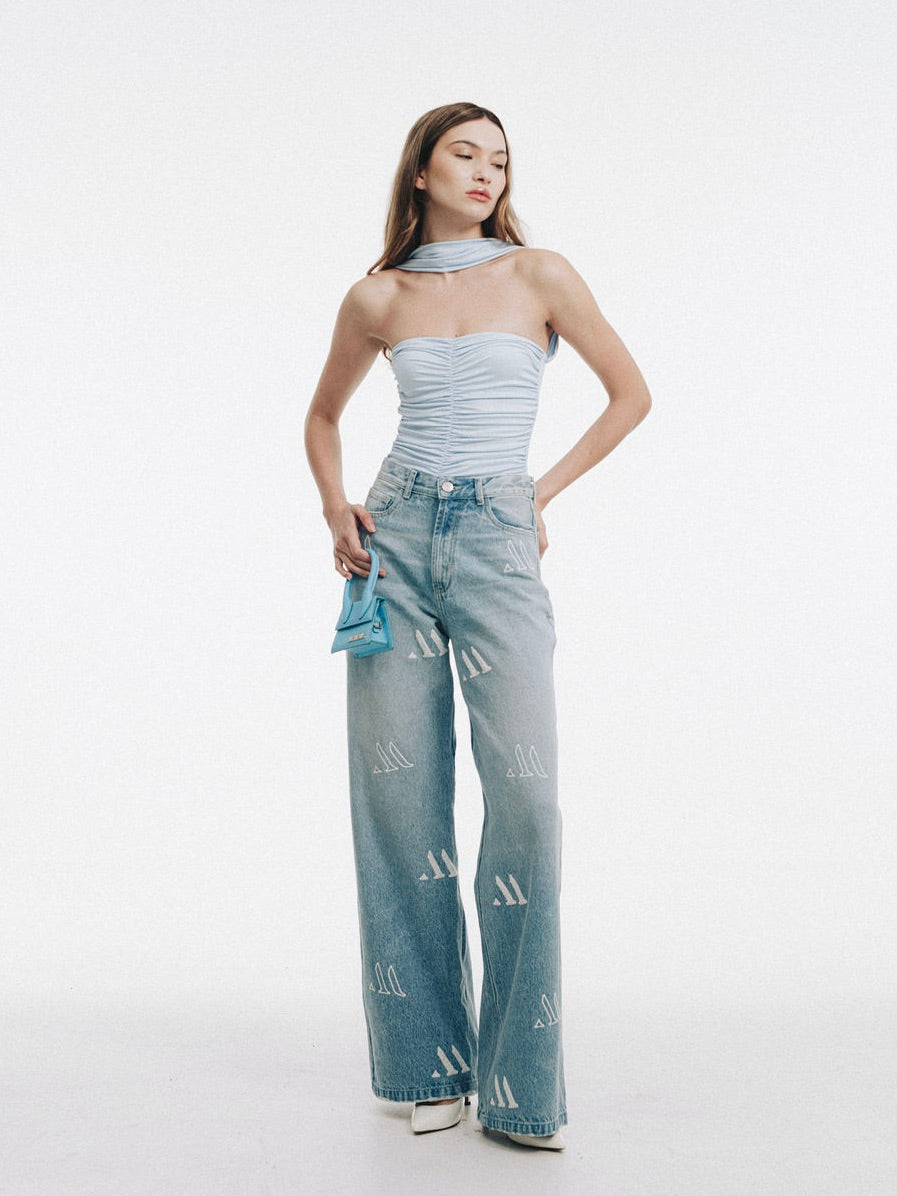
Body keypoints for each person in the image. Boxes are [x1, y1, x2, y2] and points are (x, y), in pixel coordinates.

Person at [305, 101, 651, 1150]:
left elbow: (630, 395)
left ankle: (520, 1086)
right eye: (465, 153)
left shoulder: (540, 273)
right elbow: (322, 415)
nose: (486, 170)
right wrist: (334, 506)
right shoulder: (379, 293)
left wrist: (534, 494)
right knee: (398, 804)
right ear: (420, 170)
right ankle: (426, 1064)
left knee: (527, 803)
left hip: (499, 535)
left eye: (499, 158)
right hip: (396, 538)